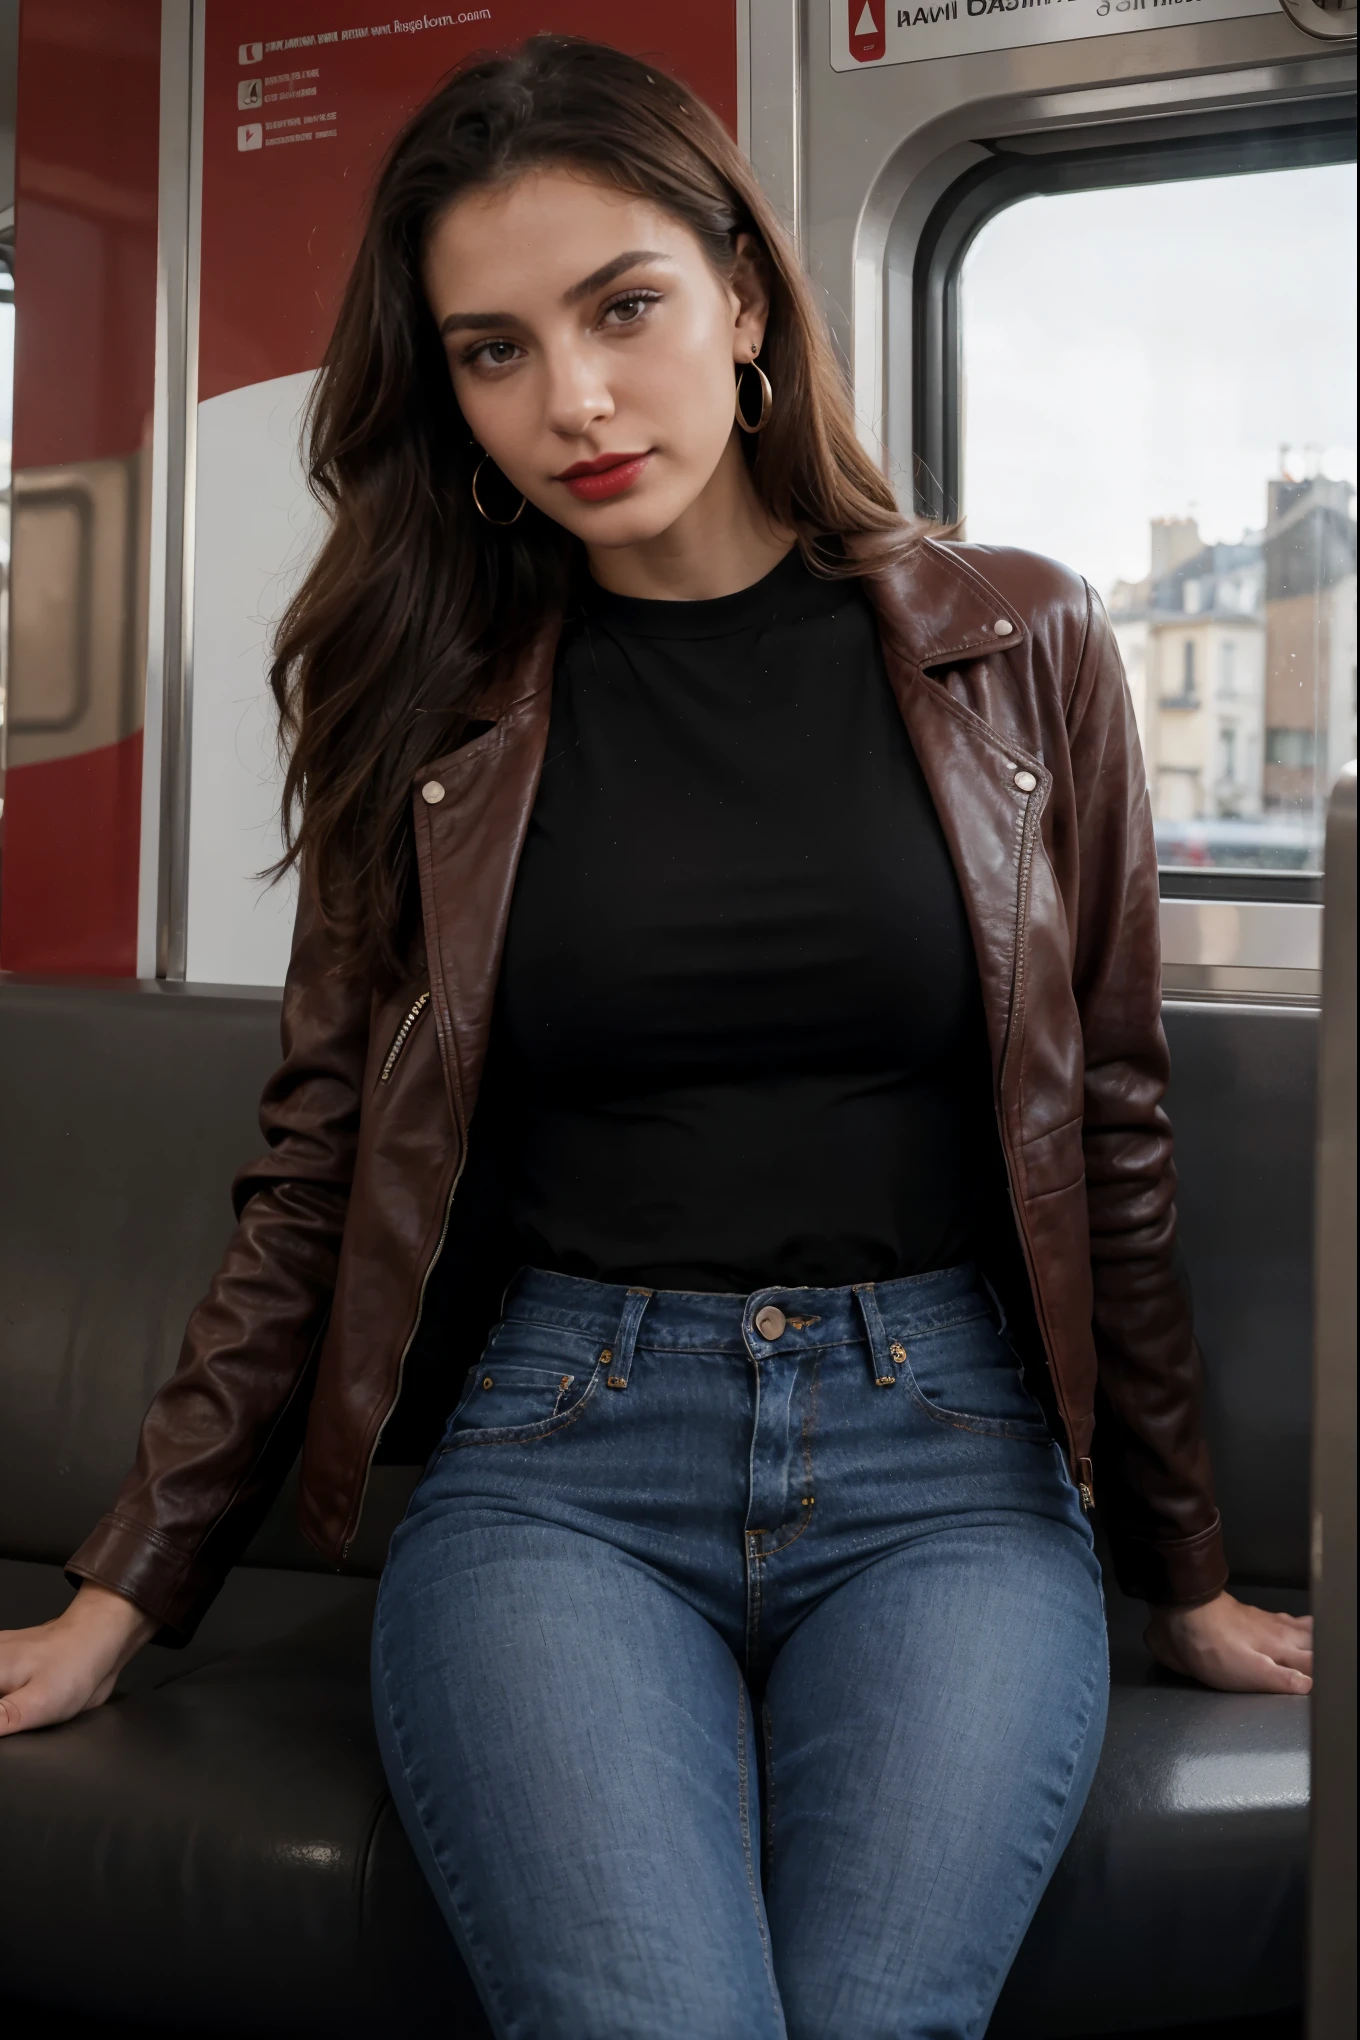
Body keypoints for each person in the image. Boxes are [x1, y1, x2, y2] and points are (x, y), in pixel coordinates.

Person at [0, 36, 1313, 2040]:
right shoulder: (416, 699)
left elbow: (1103, 1125)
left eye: (620, 308)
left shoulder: (1018, 642)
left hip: (946, 1465)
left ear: (741, 294)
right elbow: (321, 1161)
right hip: (557, 1468)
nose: (575, 401)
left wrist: (1186, 1571)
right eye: (492, 350)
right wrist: (129, 1585)